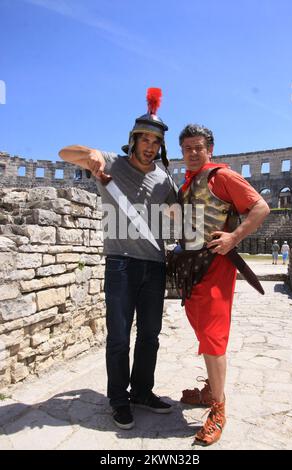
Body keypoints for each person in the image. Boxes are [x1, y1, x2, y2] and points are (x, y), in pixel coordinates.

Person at [58, 89, 177, 430]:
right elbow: (64, 152)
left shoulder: (164, 177)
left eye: (156, 141)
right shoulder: (111, 162)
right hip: (121, 264)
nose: (150, 146)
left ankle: (141, 392)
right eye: (145, 139)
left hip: (155, 265)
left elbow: (179, 216)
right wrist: (90, 154)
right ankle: (119, 399)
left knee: (150, 335)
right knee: (119, 337)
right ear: (134, 140)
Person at [174, 124, 269, 446]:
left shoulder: (222, 177)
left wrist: (234, 237)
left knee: (213, 338)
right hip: (192, 268)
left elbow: (260, 207)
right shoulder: (186, 185)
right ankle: (210, 391)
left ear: (210, 149)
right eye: (187, 148)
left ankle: (218, 408)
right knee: (203, 332)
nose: (193, 153)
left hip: (216, 267)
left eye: (198, 147)